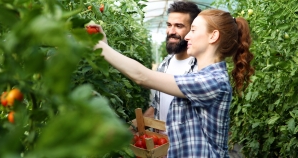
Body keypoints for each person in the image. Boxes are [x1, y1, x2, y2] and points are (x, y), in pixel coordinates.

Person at [94, 8, 254, 158]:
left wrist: (100, 47)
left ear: (213, 36)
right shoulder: (199, 75)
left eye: (193, 30)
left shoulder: (213, 81)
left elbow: (142, 77)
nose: (187, 37)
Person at [130, 1, 201, 134]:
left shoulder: (199, 68)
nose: (171, 31)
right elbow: (156, 107)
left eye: (179, 26)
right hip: (161, 148)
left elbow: (141, 77)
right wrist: (132, 132)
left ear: (193, 30)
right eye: (169, 25)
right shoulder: (165, 64)